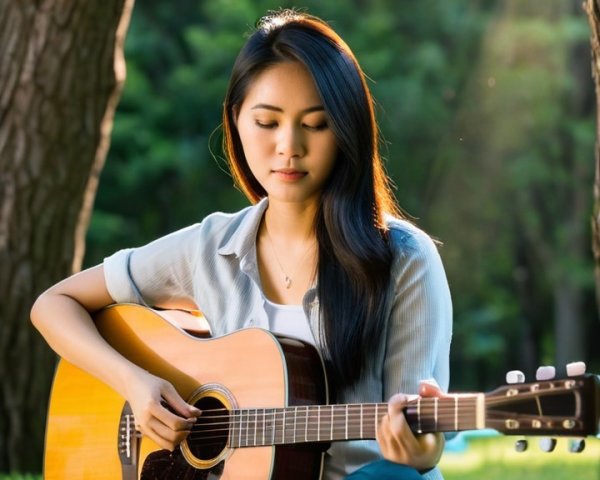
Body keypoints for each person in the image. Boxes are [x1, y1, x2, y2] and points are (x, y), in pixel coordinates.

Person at [31, 8, 452, 480]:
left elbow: (418, 445)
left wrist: (421, 448)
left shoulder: (404, 259)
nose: (288, 146)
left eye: (315, 124)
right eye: (267, 122)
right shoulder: (211, 247)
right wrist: (135, 382)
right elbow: (54, 304)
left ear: (347, 131)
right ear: (236, 121)